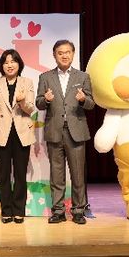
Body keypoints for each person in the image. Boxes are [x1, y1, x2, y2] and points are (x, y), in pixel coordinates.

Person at [36, 39, 95, 225]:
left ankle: (78, 210)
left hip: (76, 130)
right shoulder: (45, 77)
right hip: (54, 130)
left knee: (77, 174)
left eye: (67, 52)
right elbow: (38, 103)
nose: (64, 55)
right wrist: (45, 99)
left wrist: (83, 99)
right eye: (60, 53)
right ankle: (58, 211)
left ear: (73, 54)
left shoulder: (82, 77)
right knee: (57, 174)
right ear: (54, 55)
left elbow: (91, 104)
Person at [0, 49, 36, 224]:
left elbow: (30, 108)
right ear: (2, 65)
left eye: (13, 61)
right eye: (6, 62)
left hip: (21, 133)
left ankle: (19, 211)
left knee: (20, 174)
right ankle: (6, 211)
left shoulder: (27, 82)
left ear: (19, 64)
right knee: (4, 175)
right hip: (2, 133)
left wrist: (22, 101)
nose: (9, 65)